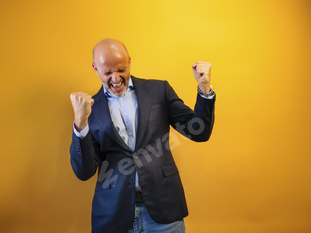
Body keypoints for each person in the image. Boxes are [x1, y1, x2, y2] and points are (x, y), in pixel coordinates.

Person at [69, 38, 216, 233]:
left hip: (164, 210)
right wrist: (80, 123)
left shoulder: (158, 90)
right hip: (113, 215)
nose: (115, 78)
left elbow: (199, 131)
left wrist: (204, 89)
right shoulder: (90, 109)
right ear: (95, 69)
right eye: (107, 72)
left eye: (121, 70)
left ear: (129, 61)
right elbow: (84, 172)